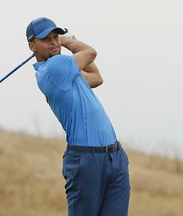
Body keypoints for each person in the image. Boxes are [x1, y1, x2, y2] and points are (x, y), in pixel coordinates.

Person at [26, 17, 130, 216]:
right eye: (46, 39)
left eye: (55, 36)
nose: (53, 42)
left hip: (114, 156)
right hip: (86, 160)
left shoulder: (68, 71)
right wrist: (66, 41)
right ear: (32, 47)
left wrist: (61, 42)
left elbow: (97, 77)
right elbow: (90, 53)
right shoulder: (54, 68)